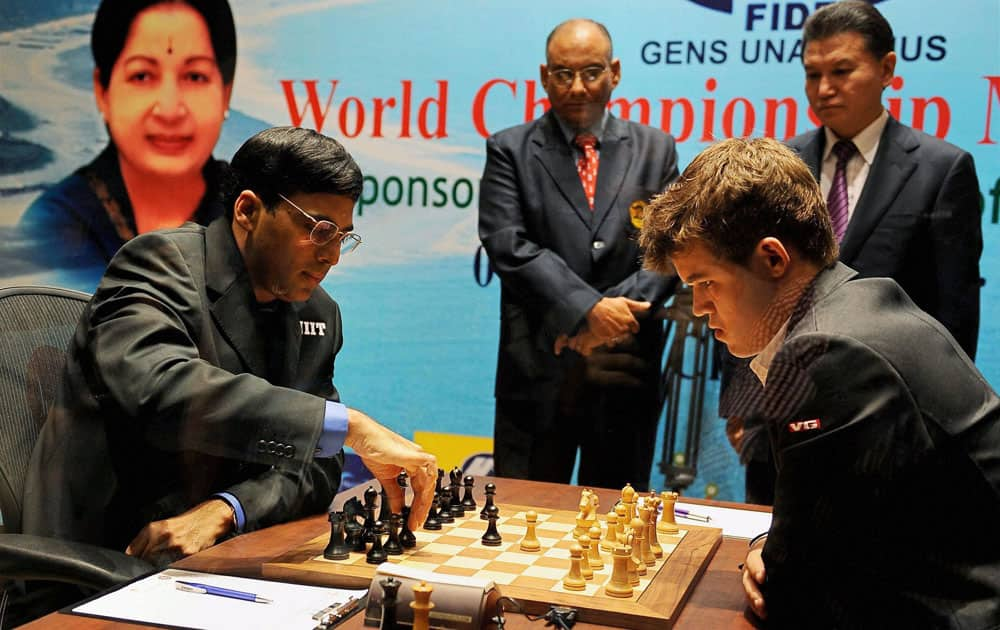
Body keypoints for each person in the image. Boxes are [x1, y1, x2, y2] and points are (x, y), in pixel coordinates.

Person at [23, 127, 437, 564]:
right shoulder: (158, 266)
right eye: (319, 230)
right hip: (103, 559)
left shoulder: (318, 313)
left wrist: (229, 508)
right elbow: (160, 391)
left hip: (224, 556)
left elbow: (316, 466)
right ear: (248, 210)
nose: (332, 255)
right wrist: (343, 425)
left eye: (342, 237)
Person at [640, 137, 1000, 628]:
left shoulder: (829, 355)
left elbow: (794, 587)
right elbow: (826, 531)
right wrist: (773, 544)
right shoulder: (856, 304)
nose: (700, 307)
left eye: (706, 283)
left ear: (773, 258)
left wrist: (775, 555)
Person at [727, 0, 984, 505]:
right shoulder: (776, 165)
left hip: (883, 419)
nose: (824, 89)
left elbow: (952, 317)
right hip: (775, 413)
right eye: (813, 74)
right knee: (759, 560)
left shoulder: (941, 170)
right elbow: (745, 287)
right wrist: (740, 401)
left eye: (842, 71)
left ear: (887, 68)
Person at [477, 18, 679, 491]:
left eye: (591, 72)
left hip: (624, 366)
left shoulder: (656, 148)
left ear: (615, 73)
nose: (577, 87)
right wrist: (587, 310)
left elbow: (668, 248)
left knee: (613, 529)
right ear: (545, 77)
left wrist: (609, 319)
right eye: (563, 74)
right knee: (521, 517)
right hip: (538, 369)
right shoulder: (510, 148)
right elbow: (508, 243)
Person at [18, 0, 236, 285]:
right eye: (142, 76)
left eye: (195, 76)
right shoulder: (50, 226)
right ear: (102, 91)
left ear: (226, 93)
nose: (170, 110)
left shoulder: (256, 212)